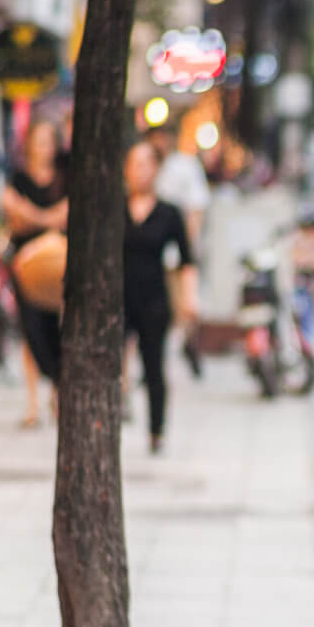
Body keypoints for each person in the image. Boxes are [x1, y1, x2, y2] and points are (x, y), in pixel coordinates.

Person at [120, 140, 198, 454]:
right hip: (118, 298)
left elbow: (186, 260)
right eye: (134, 164)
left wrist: (189, 300)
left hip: (153, 298)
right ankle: (114, 415)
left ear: (156, 169)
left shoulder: (169, 213)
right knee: (112, 362)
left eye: (145, 164)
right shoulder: (115, 208)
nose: (139, 171)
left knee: (154, 367)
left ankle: (156, 430)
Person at [0, 119, 68, 428]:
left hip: (57, 264)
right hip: (24, 265)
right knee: (31, 331)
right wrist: (48, 219)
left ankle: (57, 389)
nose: (44, 148)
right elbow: (12, 213)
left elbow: (64, 215)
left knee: (58, 329)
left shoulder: (64, 177)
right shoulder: (19, 178)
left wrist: (32, 216)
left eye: (48, 141)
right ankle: (32, 403)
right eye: (39, 141)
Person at [147, 124, 210, 378]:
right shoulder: (146, 166)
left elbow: (196, 209)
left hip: (175, 253)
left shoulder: (185, 167)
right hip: (150, 255)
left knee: (182, 307)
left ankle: (188, 344)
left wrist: (186, 245)